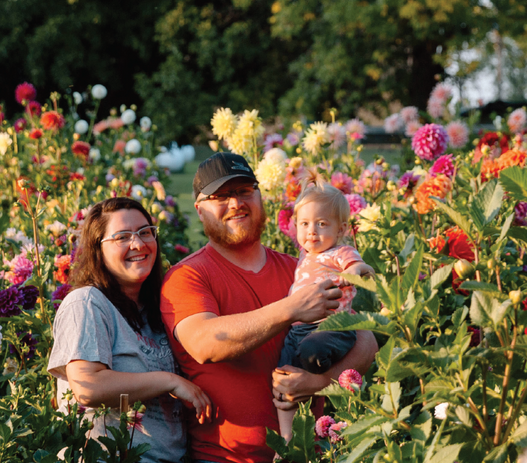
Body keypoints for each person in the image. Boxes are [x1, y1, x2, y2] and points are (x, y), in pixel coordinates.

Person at [161, 152, 378, 463]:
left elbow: (365, 341)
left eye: (244, 190)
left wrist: (318, 382)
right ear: (199, 209)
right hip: (225, 458)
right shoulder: (188, 276)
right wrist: (292, 308)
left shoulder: (302, 269)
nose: (235, 203)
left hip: (308, 453)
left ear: (260, 196)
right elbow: (205, 343)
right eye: (221, 196)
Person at [48, 197, 215, 462]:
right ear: (97, 248)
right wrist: (169, 381)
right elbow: (87, 385)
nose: (138, 244)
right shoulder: (88, 303)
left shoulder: (156, 306)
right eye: (122, 237)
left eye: (145, 232)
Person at [275, 183, 375, 439]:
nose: (311, 231)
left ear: (341, 229)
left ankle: (323, 375)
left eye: (321, 223)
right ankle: (288, 440)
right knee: (281, 378)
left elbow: (363, 267)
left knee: (311, 352)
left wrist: (353, 271)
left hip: (332, 327)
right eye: (305, 223)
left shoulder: (340, 252)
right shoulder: (304, 255)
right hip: (298, 331)